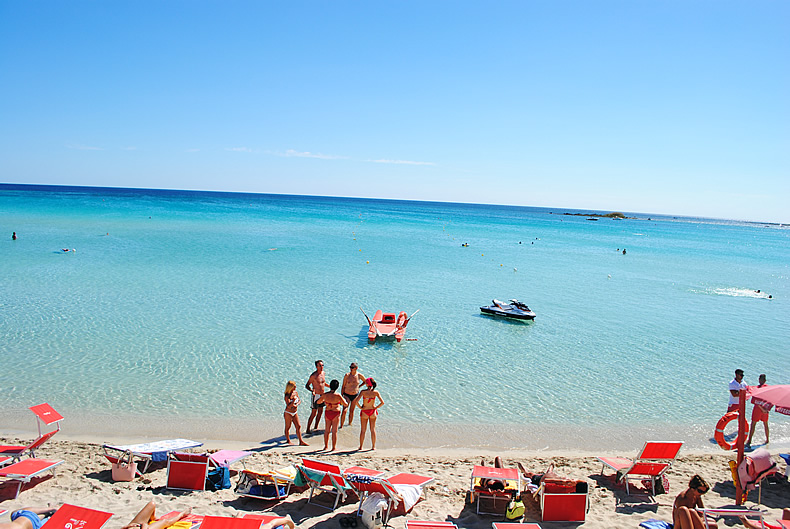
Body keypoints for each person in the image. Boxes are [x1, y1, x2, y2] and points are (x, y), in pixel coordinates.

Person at [316, 379, 348, 451]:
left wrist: (325, 402)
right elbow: (346, 404)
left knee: (327, 431)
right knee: (334, 431)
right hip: (335, 413)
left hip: (328, 412)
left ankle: (326, 446)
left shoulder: (325, 395)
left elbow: (318, 402)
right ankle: (333, 447)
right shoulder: (338, 396)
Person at [357, 377, 383, 451]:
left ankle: (361, 446)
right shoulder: (376, 392)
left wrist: (361, 408)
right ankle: (373, 446)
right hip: (372, 411)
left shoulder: (363, 392)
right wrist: (375, 408)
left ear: (367, 384)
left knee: (363, 430)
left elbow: (356, 402)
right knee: (372, 430)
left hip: (365, 411)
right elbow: (382, 402)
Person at [121, 501, 191, 529]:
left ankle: (153, 517)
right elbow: (144, 525)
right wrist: (143, 525)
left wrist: (127, 526)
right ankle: (181, 514)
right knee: (165, 522)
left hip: (134, 526)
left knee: (152, 504)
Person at [306, 359, 329, 434]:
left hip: (322, 395)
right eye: (320, 365)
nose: (322, 367)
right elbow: (307, 385)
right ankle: (308, 429)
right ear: (316, 366)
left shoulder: (323, 373)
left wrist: (330, 386)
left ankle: (316, 427)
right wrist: (312, 390)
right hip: (316, 395)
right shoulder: (313, 376)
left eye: (322, 365)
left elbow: (323, 383)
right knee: (313, 413)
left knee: (320, 412)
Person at [746, 373, 770, 447]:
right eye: (760, 379)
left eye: (761, 379)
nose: (760, 380)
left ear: (764, 380)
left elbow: (755, 401)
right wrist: (766, 409)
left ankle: (750, 441)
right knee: (761, 424)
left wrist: (763, 409)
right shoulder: (765, 388)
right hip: (763, 408)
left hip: (759, 408)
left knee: (755, 424)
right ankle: (766, 440)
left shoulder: (759, 388)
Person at [340, 362, 365, 427]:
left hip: (355, 395)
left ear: (356, 368)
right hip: (346, 394)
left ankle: (349, 424)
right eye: (350, 367)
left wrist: (359, 386)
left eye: (352, 367)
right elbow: (343, 386)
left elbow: (365, 381)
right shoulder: (347, 375)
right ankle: (341, 426)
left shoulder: (359, 375)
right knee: (344, 410)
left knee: (352, 411)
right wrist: (341, 396)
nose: (351, 369)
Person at [283, 380, 308, 446]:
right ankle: (288, 440)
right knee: (288, 427)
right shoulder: (287, 395)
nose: (295, 387)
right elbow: (288, 405)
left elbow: (299, 400)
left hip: (295, 412)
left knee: (298, 426)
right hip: (288, 412)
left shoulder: (295, 393)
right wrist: (293, 401)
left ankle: (301, 441)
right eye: (294, 386)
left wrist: (297, 404)